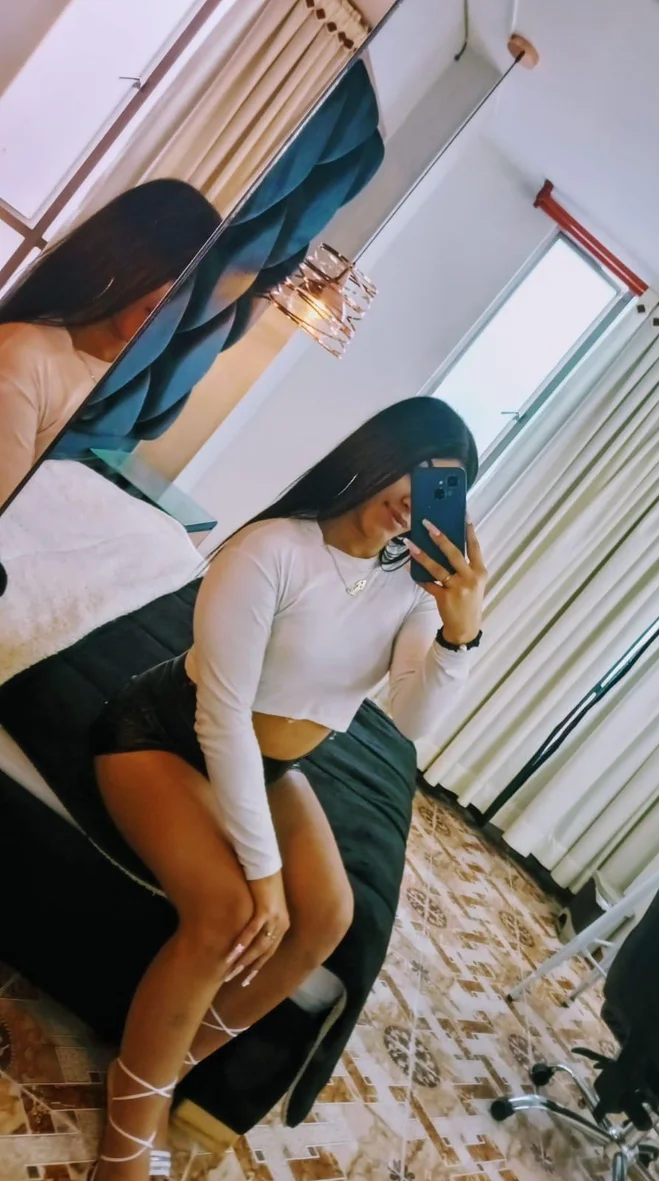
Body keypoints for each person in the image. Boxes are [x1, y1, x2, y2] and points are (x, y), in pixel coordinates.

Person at [88, 398, 487, 1180]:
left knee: (328, 917)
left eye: (442, 484)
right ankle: (131, 1123)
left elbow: (411, 718)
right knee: (230, 911)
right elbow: (222, 716)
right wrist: (263, 873)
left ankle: (165, 1065)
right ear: (377, 451)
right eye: (414, 465)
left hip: (269, 765)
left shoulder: (410, 588)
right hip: (165, 735)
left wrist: (458, 631)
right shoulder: (272, 548)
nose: (416, 493)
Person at [0, 179, 221, 507]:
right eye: (175, 274)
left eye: (190, 285)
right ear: (126, 253)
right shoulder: (23, 356)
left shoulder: (123, 380)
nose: (176, 298)